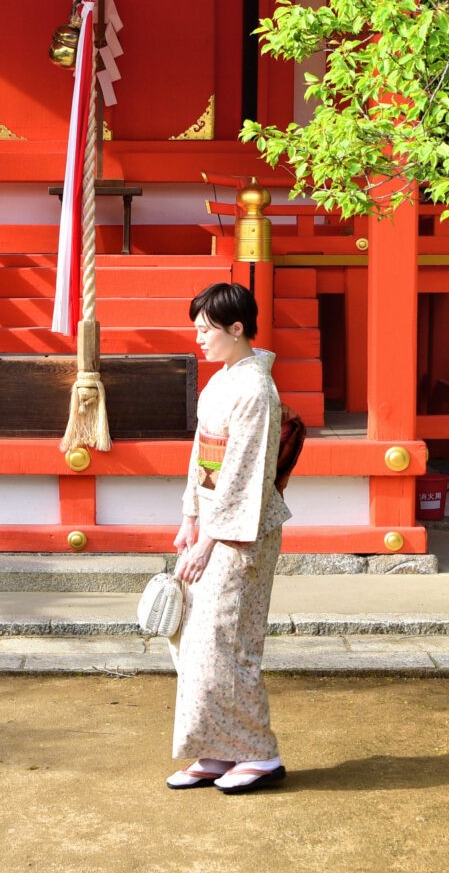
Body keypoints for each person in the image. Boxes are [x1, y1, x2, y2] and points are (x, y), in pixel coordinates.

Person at [166, 281, 290, 794]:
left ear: (236, 329)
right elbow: (205, 457)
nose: (198, 338)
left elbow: (243, 474)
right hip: (215, 526)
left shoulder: (257, 390)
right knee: (200, 641)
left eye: (205, 329)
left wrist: (210, 541)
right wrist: (189, 517)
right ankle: (219, 748)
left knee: (231, 641)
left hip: (242, 535)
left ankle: (259, 753)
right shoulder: (222, 382)